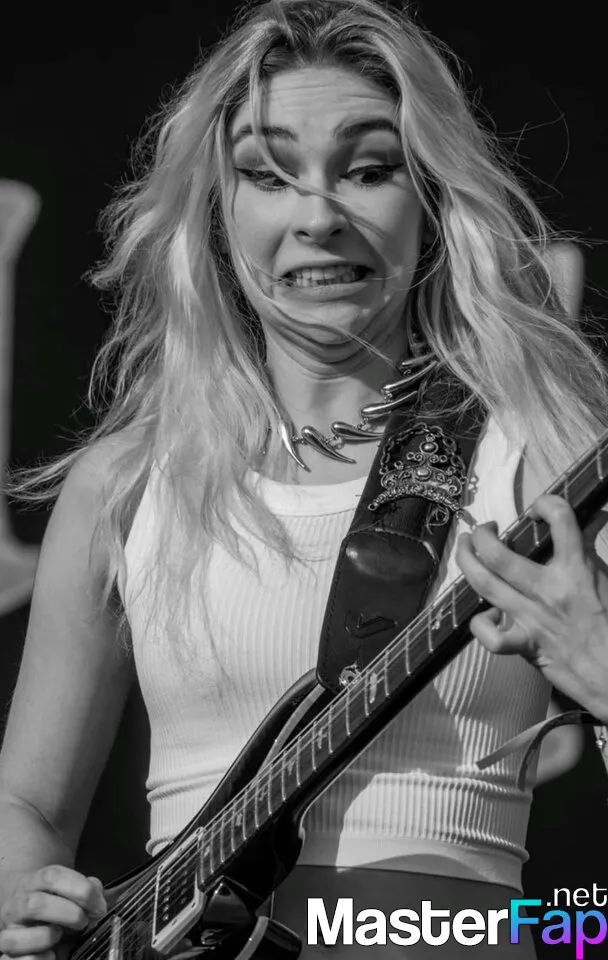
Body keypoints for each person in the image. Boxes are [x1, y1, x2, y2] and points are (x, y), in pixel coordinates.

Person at [0, 0, 607, 956]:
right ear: (218, 208)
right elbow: (27, 804)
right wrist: (21, 897)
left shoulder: (548, 457)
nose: (319, 218)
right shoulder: (128, 484)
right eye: (268, 175)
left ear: (431, 200)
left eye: (369, 169)